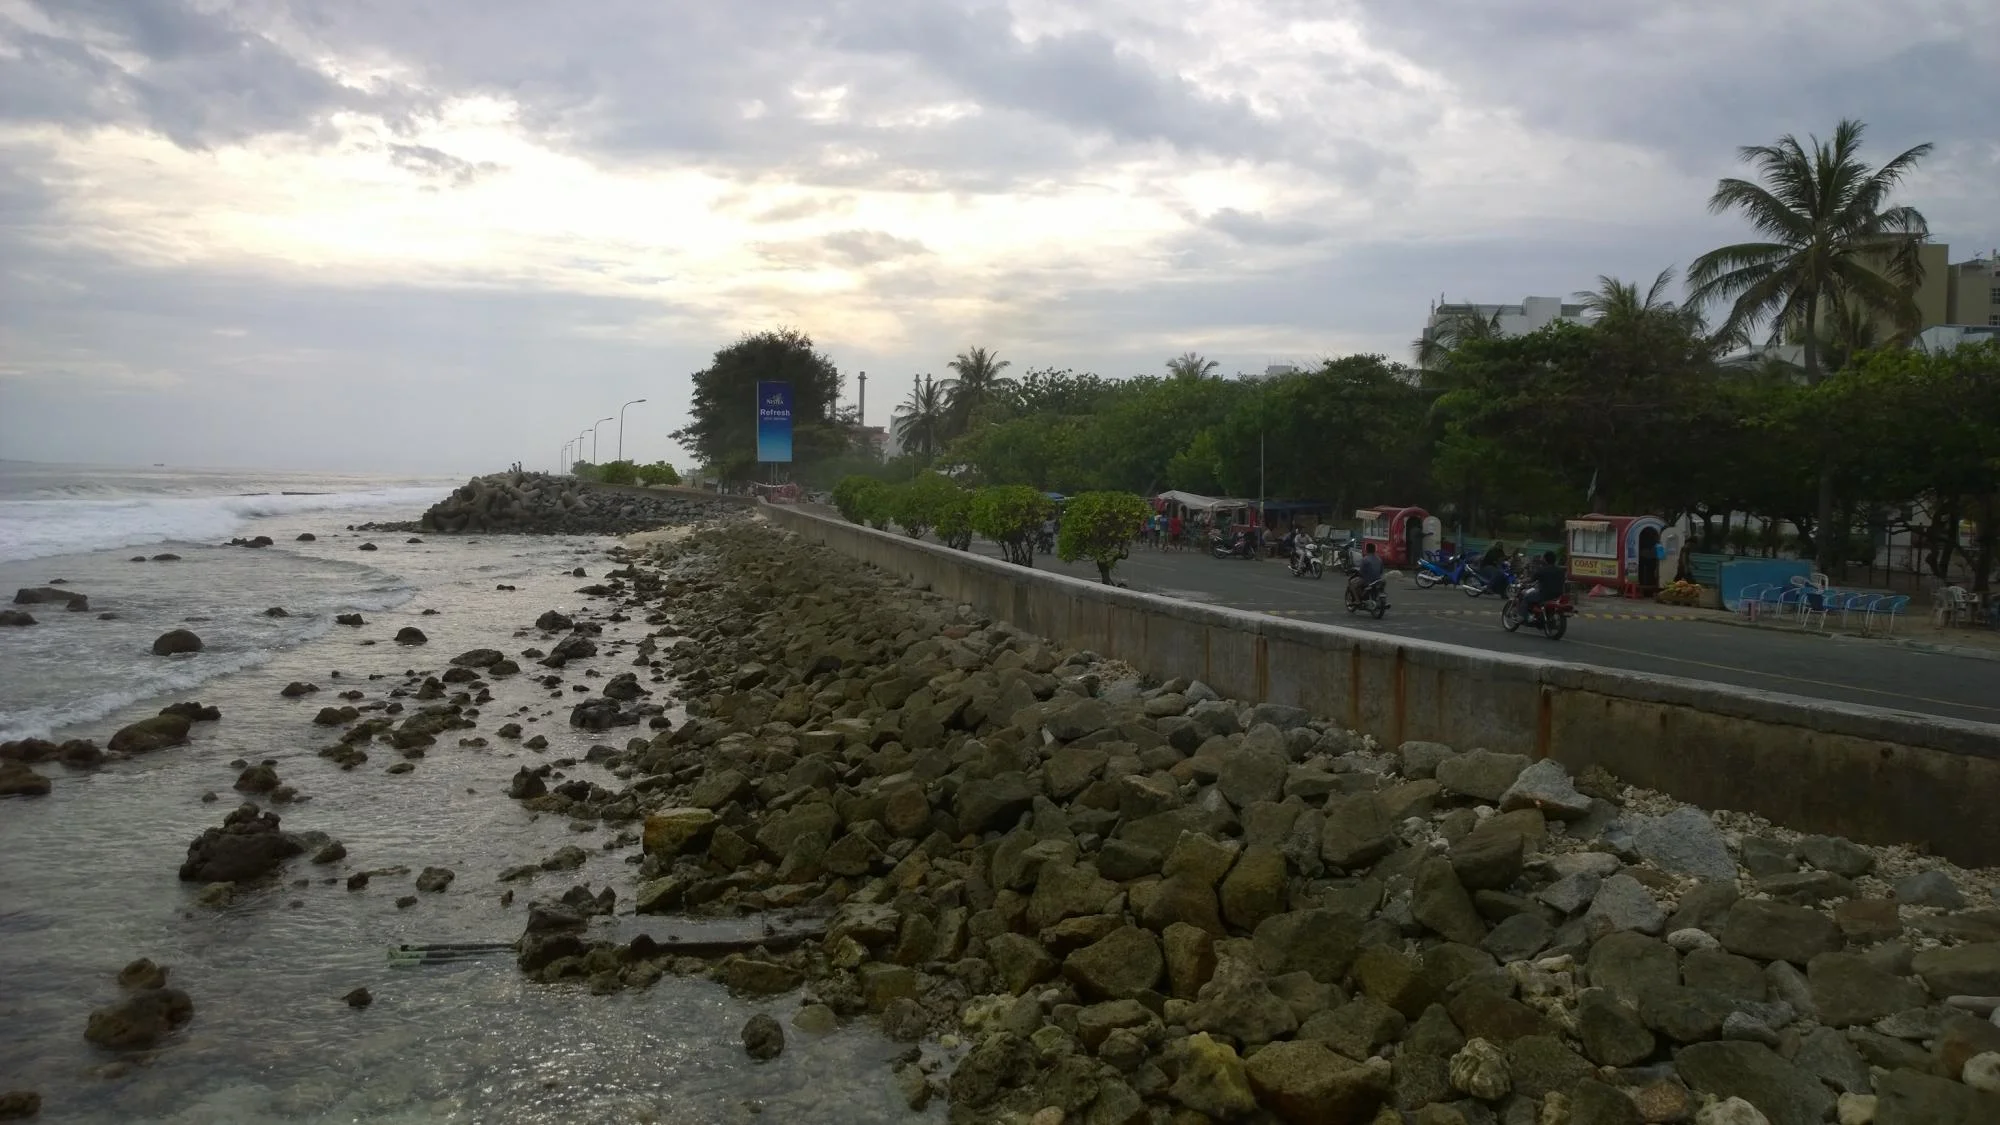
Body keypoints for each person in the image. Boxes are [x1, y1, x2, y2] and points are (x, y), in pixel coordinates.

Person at [1520, 551, 1567, 618]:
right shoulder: (1560, 570)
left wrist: (1521, 581)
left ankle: (1525, 617)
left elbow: (1531, 580)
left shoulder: (1542, 570)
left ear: (1545, 560)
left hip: (1544, 595)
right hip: (1558, 595)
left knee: (1526, 597)